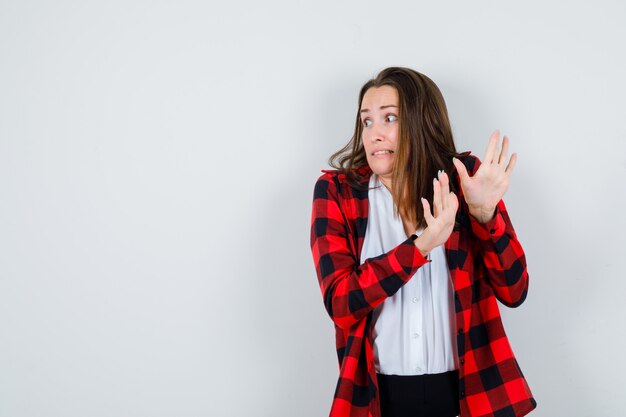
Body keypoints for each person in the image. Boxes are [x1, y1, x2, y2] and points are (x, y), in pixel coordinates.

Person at [309, 67, 537, 417]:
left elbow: (514, 290)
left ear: (421, 122)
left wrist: (484, 214)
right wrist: (420, 247)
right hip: (377, 397)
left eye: (389, 118)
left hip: (466, 395)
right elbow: (341, 304)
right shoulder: (338, 193)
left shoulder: (464, 180)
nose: (374, 134)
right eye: (366, 121)